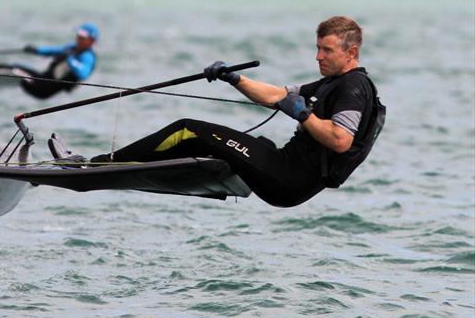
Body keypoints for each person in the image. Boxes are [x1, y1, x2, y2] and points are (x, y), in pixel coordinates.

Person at [51, 16, 385, 207]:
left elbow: (341, 140)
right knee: (235, 144)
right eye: (317, 48)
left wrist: (304, 116)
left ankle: (93, 169)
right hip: (287, 172)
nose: (318, 57)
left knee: (189, 130)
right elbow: (276, 96)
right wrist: (233, 78)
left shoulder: (353, 88)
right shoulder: (333, 82)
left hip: (289, 179)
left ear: (351, 52)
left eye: (326, 50)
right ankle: (213, 177)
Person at [2, 23, 98, 99]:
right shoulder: (72, 48)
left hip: (43, 89)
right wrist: (36, 50)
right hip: (41, 79)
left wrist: (70, 60)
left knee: (16, 71)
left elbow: (83, 73)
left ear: (92, 41)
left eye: (82, 38)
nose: (78, 39)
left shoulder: (88, 57)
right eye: (78, 36)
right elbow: (53, 50)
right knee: (14, 66)